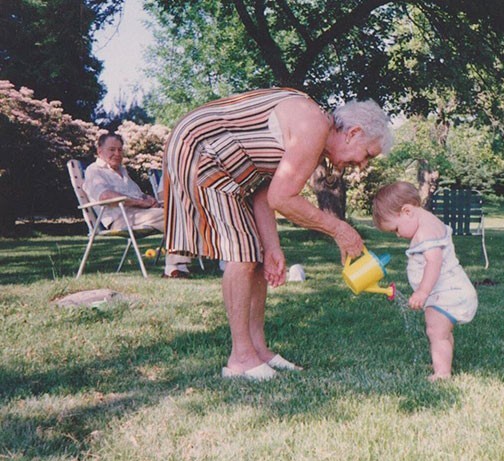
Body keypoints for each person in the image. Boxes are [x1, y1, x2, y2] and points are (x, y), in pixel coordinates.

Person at [162, 88, 393, 381]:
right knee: (242, 253)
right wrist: (338, 228)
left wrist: (272, 246)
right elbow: (283, 198)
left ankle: (257, 348)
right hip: (199, 150)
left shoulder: (311, 134)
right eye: (367, 155)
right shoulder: (313, 126)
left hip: (230, 168)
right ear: (353, 133)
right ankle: (240, 359)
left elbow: (265, 189)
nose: (362, 165)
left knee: (256, 252)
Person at [372, 181, 478, 381]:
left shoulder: (425, 233)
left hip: (446, 293)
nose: (397, 235)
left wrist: (422, 292)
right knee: (442, 333)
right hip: (450, 291)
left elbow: (434, 262)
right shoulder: (429, 221)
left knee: (435, 331)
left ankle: (442, 373)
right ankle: (441, 360)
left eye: (395, 228)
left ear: (407, 211)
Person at [83, 133, 192, 278]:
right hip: (120, 218)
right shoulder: (94, 171)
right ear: (99, 151)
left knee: (180, 211)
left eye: (120, 150)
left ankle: (178, 267)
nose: (117, 154)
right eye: (112, 149)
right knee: (173, 216)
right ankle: (174, 268)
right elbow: (105, 196)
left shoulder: (122, 171)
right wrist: (141, 202)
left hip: (139, 215)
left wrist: (149, 199)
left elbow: (138, 195)